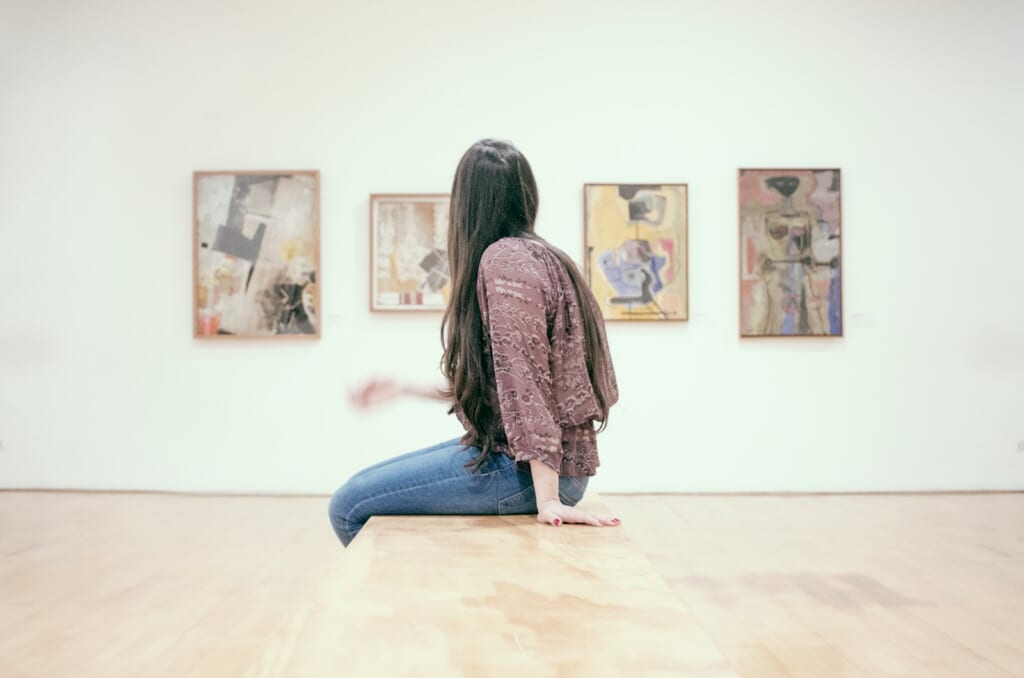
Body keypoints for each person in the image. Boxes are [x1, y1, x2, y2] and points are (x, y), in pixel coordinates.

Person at [328, 139, 620, 547]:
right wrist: (403, 387)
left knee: (348, 505)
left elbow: (526, 382)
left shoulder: (505, 262)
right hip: (532, 464)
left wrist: (549, 500)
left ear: (465, 203)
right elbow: (503, 384)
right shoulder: (542, 256)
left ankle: (414, 606)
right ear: (526, 194)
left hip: (526, 473)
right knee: (359, 492)